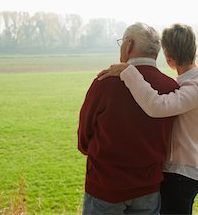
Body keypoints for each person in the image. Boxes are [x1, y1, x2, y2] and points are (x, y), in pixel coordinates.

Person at [97, 23, 198, 215]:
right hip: (187, 170)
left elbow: (156, 106)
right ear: (195, 48)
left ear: (168, 59)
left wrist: (128, 71)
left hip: (181, 174)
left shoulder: (196, 87)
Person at [77, 22, 180, 215]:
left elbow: (84, 137)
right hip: (148, 189)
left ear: (129, 45)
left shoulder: (104, 83)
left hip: (105, 187)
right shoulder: (170, 87)